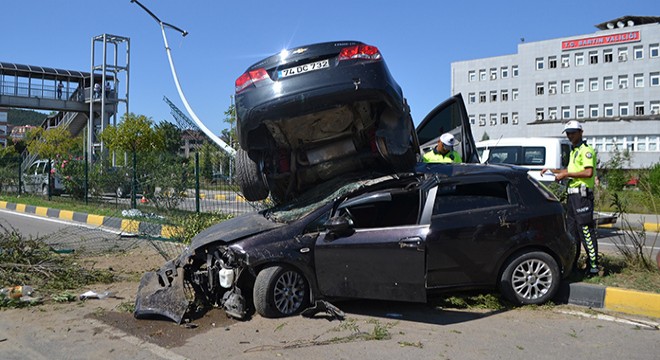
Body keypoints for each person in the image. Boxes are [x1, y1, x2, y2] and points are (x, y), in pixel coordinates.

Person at [542, 120, 599, 277]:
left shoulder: (586, 151)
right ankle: (572, 265)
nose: (570, 136)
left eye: (573, 132)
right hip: (572, 196)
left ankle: (594, 267)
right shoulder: (574, 151)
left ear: (581, 132)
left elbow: (588, 173)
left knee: (586, 231)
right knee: (572, 233)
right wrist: (553, 170)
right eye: (567, 133)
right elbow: (570, 169)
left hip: (582, 196)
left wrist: (565, 174)